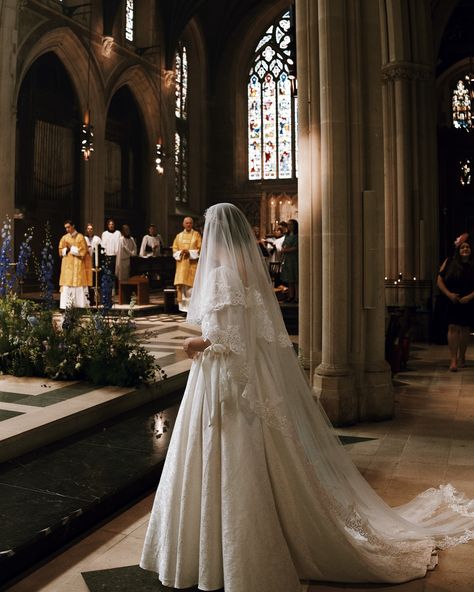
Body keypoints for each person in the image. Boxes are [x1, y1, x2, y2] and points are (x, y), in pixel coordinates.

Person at [140, 203, 474, 592]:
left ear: (217, 234)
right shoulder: (247, 271)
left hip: (225, 380)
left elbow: (227, 339)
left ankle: (225, 555)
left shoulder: (219, 275)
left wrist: (193, 343)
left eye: (208, 230)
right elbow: (250, 332)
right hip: (246, 378)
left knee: (224, 456)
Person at [437, 232, 474, 371]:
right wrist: (449, 295)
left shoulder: (473, 265)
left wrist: (469, 297)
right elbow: (439, 281)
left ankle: (462, 357)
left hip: (468, 301)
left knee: (465, 330)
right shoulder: (449, 262)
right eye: (462, 247)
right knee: (452, 328)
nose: (465, 249)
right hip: (452, 300)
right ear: (458, 250)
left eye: (468, 247)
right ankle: (453, 360)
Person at [172, 216, 201, 312]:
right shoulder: (178, 236)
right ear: (183, 224)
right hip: (181, 266)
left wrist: (190, 253)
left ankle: (192, 309)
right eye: (187, 223)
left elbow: (200, 249)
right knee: (182, 288)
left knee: (191, 288)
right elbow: (174, 250)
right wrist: (181, 253)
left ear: (192, 224)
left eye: (190, 223)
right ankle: (183, 309)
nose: (188, 225)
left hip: (192, 265)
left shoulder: (196, 235)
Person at [58, 220, 89, 309]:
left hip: (77, 266)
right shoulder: (64, 238)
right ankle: (66, 306)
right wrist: (66, 250)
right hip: (67, 266)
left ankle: (78, 306)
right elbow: (60, 251)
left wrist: (72, 248)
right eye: (66, 228)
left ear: (73, 226)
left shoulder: (80, 237)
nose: (67, 229)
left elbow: (83, 251)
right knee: (67, 285)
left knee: (77, 286)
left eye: (68, 227)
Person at [280, 218, 298, 302]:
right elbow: (284, 244)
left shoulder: (296, 236)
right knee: (289, 279)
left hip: (294, 259)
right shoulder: (287, 235)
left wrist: (286, 250)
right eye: (288, 224)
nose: (289, 226)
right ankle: (290, 296)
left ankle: (297, 296)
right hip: (287, 259)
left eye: (291, 224)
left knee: (295, 278)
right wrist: (283, 248)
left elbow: (296, 247)